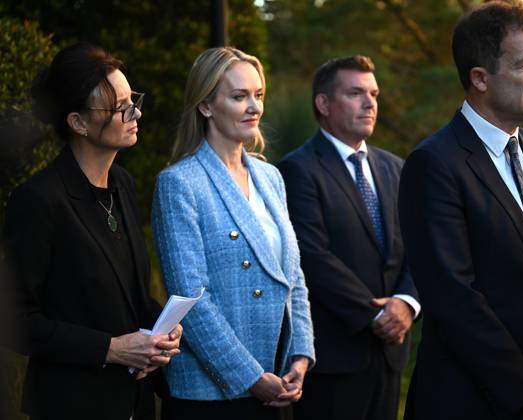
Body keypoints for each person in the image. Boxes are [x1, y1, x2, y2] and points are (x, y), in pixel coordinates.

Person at [399, 2, 523, 419]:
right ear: (480, 78)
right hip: (469, 401)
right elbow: (453, 297)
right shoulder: (434, 164)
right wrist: (522, 387)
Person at [3, 42, 182, 420]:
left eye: (133, 99)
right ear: (78, 122)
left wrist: (163, 331)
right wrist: (110, 349)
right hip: (72, 403)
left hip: (135, 401)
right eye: (119, 108)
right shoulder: (39, 200)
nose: (134, 112)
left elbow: (129, 295)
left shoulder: (122, 184)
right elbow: (16, 321)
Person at [151, 47, 315, 420]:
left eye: (258, 95)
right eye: (239, 96)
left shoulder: (270, 177)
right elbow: (191, 300)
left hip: (277, 382)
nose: (254, 107)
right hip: (209, 396)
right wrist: (251, 378)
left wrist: (300, 357)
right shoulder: (179, 183)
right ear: (206, 105)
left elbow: (295, 279)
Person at [277, 55, 420, 420]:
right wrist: (377, 316)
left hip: (390, 356)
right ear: (323, 104)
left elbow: (418, 247)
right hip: (334, 357)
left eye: (373, 93)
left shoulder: (395, 168)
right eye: (355, 93)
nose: (370, 102)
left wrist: (406, 303)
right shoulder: (298, 169)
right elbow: (312, 256)